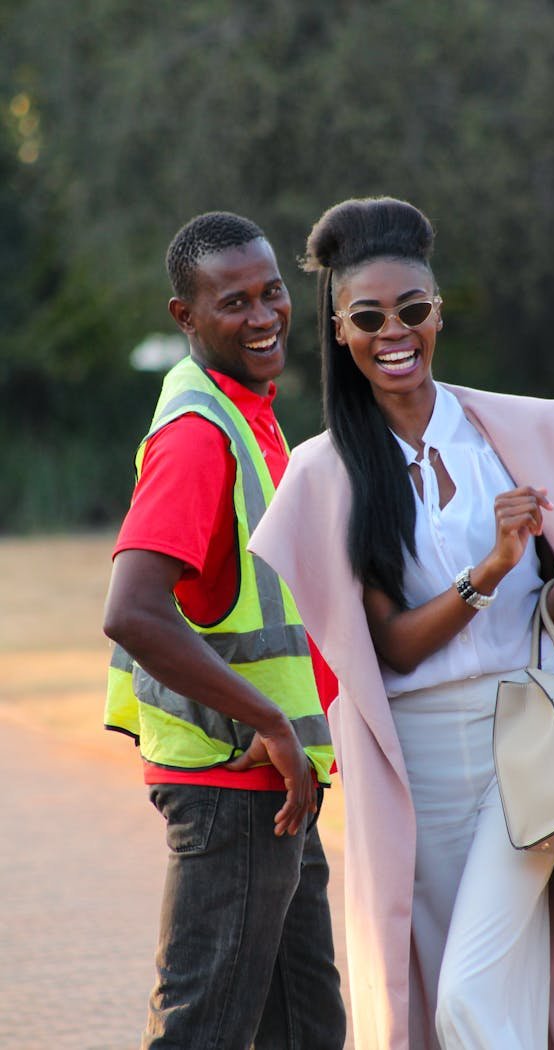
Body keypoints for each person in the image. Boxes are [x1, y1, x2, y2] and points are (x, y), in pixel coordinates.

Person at [248, 197, 554, 1049]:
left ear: (439, 313)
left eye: (412, 309)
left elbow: (546, 619)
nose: (393, 333)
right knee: (456, 1000)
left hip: (528, 749)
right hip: (414, 769)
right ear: (339, 331)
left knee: (468, 1002)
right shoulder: (328, 473)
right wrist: (489, 568)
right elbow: (392, 647)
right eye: (368, 317)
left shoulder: (512, 432)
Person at [102, 211, 346, 1050]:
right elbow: (132, 610)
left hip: (277, 785)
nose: (264, 315)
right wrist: (271, 721)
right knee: (204, 1032)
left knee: (307, 1029)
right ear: (187, 316)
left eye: (272, 292)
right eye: (234, 301)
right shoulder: (200, 435)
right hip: (233, 785)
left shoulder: (249, 411)